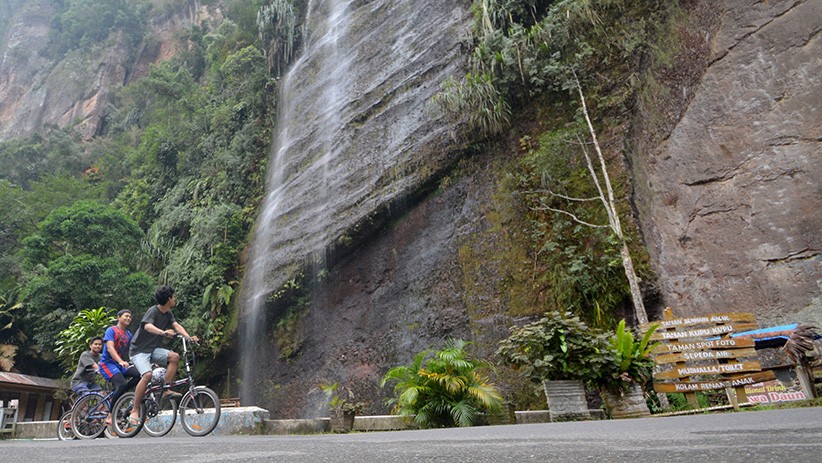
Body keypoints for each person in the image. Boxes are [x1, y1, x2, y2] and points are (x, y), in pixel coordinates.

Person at [128, 285, 198, 426]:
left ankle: (165, 389)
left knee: (174, 357)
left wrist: (189, 338)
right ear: (168, 299)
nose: (175, 299)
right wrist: (163, 332)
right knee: (147, 375)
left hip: (153, 349)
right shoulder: (153, 311)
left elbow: (176, 326)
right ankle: (134, 410)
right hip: (139, 351)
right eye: (174, 296)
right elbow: (147, 326)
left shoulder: (168, 313)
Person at [99, 309, 141, 423]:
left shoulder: (128, 335)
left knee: (139, 375)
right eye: (126, 316)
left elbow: (135, 349)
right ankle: (110, 415)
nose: (128, 318)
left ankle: (120, 392)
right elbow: (110, 348)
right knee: (121, 384)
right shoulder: (111, 330)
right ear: (119, 317)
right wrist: (120, 361)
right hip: (107, 364)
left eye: (130, 317)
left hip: (119, 365)